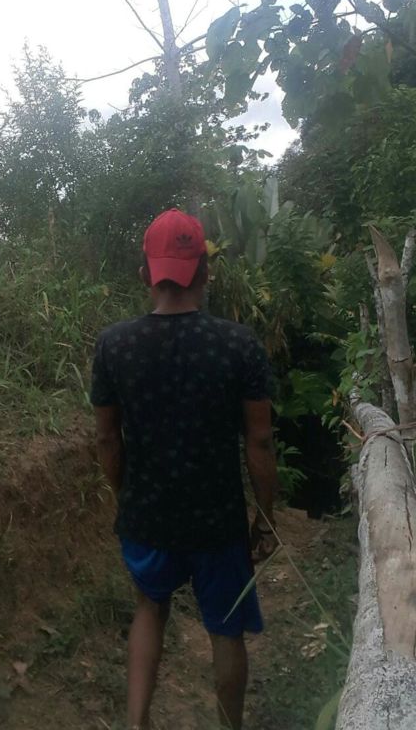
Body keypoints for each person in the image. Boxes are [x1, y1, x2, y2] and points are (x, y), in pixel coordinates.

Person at [90, 208, 279, 730]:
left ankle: (136, 723)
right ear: (205, 272)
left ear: (145, 274)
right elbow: (260, 440)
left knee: (149, 610)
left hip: (148, 515)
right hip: (218, 522)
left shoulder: (114, 344)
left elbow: (106, 438)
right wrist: (265, 517)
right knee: (226, 629)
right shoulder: (238, 344)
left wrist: (126, 495)